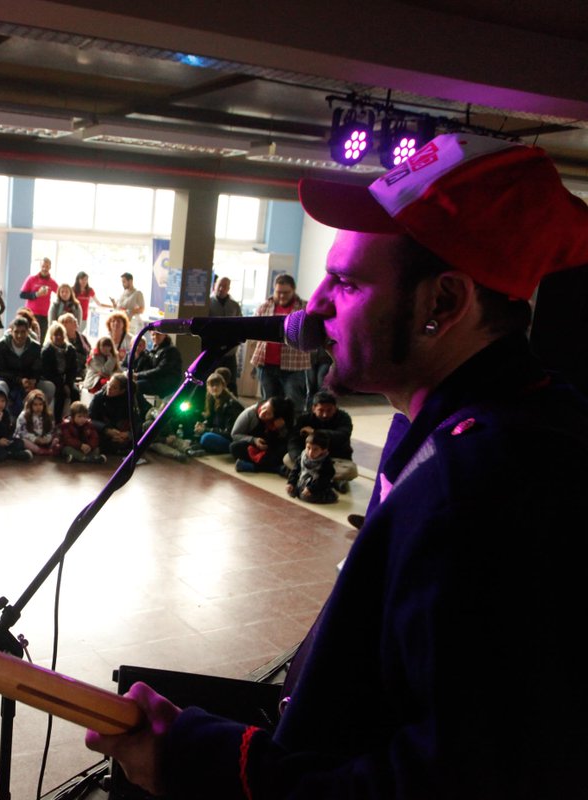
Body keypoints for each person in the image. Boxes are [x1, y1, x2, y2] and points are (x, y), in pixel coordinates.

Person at [88, 134, 588, 797]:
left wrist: (201, 764)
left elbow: (441, 782)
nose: (314, 307)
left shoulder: (479, 485)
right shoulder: (475, 427)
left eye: (347, 283)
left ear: (442, 304)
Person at [248, 273, 310, 411]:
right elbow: (254, 331)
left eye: (286, 293)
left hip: (294, 366)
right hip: (266, 364)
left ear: (293, 290)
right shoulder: (264, 307)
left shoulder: (305, 308)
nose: (282, 296)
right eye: (278, 292)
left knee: (294, 403)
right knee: (268, 404)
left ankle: (293, 431)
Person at [286, 389, 357, 490]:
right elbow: (293, 441)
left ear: (335, 408)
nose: (325, 414)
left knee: (351, 470)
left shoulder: (344, 418)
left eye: (329, 410)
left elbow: (342, 436)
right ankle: (328, 480)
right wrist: (301, 460)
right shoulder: (304, 419)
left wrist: (315, 432)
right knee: (287, 458)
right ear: (314, 408)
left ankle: (316, 478)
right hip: (309, 460)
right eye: (321, 410)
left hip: (335, 460)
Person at [228, 396, 292, 473]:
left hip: (268, 450)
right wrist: (254, 440)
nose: (262, 412)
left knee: (283, 450)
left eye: (268, 413)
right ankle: (276, 469)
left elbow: (284, 440)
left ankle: (253, 467)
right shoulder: (250, 413)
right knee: (234, 447)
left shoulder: (278, 422)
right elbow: (235, 434)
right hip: (252, 446)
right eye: (264, 407)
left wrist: (281, 428)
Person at [40, 320, 82, 421]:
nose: (59, 337)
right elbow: (47, 372)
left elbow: (73, 369)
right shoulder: (47, 351)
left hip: (67, 379)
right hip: (53, 380)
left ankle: (75, 418)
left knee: (75, 393)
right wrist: (62, 385)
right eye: (56, 335)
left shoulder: (70, 350)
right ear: (51, 337)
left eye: (61, 335)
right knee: (60, 394)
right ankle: (58, 421)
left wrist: (68, 383)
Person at [89, 374, 138, 456]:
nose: (109, 388)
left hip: (120, 431)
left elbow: (136, 420)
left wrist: (128, 434)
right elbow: (91, 419)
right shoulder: (99, 397)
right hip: (104, 429)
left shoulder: (129, 400)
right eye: (109, 384)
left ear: (122, 391)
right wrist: (106, 430)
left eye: (114, 388)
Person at [207, 275, 242, 390]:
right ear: (214, 286)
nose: (221, 289)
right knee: (211, 381)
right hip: (213, 352)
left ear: (229, 288)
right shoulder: (208, 303)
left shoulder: (234, 306)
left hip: (229, 353)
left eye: (225, 286)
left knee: (230, 383)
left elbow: (240, 325)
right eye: (219, 285)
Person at [285, 430, 338, 504]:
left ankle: (330, 496)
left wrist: (311, 489)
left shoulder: (325, 462)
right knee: (291, 492)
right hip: (303, 482)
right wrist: (291, 483)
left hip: (318, 486)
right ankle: (301, 490)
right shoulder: (303, 456)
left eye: (315, 449)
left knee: (305, 497)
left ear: (324, 451)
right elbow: (295, 470)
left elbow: (323, 480)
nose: (310, 452)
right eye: (308, 448)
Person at [132, 330, 183, 401]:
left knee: (134, 386)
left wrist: (138, 376)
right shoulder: (154, 351)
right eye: (153, 335)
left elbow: (161, 370)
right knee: (131, 385)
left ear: (164, 335)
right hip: (157, 381)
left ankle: (146, 409)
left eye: (158, 334)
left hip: (166, 384)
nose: (155, 337)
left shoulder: (171, 351)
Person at [19, 257, 59, 341]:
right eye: (43, 266)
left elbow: (61, 293)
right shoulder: (31, 279)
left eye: (47, 266)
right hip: (30, 314)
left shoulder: (52, 282)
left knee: (40, 339)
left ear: (50, 267)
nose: (45, 268)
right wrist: (36, 294)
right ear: (40, 266)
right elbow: (22, 295)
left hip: (44, 316)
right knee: (27, 338)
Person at [15, 388, 59, 457]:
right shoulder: (24, 416)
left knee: (56, 439)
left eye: (40, 404)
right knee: (23, 441)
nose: (38, 407)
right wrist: (35, 439)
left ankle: (50, 449)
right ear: (30, 405)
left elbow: (52, 430)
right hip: (30, 440)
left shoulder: (48, 415)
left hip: (44, 440)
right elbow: (21, 432)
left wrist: (47, 439)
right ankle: (39, 451)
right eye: (35, 405)